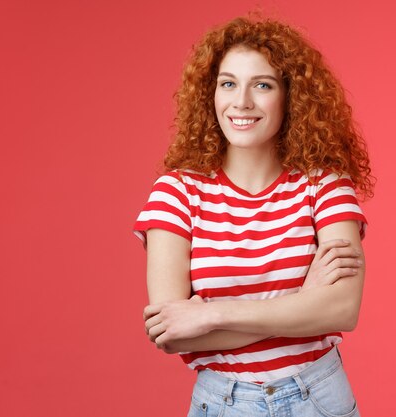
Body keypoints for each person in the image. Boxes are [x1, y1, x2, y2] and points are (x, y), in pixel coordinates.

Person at [134, 16, 374, 417]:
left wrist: (211, 313)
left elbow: (341, 311)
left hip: (317, 398)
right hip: (223, 404)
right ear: (210, 94)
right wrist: (303, 302)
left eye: (262, 85)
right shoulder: (176, 192)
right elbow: (172, 333)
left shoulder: (325, 185)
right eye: (228, 83)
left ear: (290, 96)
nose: (241, 101)